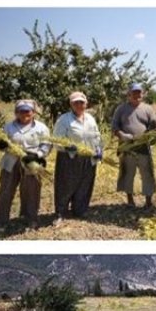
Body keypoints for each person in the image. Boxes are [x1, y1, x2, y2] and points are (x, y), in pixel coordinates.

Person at [0, 99, 52, 231]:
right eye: (21, 111)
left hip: (31, 162)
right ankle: (1, 222)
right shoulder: (8, 127)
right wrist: (2, 146)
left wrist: (38, 155)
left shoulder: (41, 128)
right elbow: (1, 145)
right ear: (16, 113)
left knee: (31, 192)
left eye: (27, 111)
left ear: (33, 112)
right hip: (10, 162)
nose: (25, 113)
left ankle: (30, 219)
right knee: (6, 191)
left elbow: (46, 145)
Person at [53, 91, 103, 224]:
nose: (79, 105)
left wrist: (99, 148)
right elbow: (56, 141)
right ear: (71, 104)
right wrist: (67, 147)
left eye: (81, 102)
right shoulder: (64, 120)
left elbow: (96, 136)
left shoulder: (90, 119)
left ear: (86, 104)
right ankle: (60, 213)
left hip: (88, 157)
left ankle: (79, 210)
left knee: (84, 185)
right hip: (69, 158)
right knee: (65, 185)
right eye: (76, 103)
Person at [111, 83, 156, 208]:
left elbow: (153, 127)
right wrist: (121, 135)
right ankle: (130, 200)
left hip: (143, 147)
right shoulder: (121, 109)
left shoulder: (148, 109)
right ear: (129, 94)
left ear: (142, 95)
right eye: (134, 93)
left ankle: (148, 201)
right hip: (127, 147)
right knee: (128, 173)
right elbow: (114, 126)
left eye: (139, 93)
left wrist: (148, 136)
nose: (137, 95)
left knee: (147, 174)